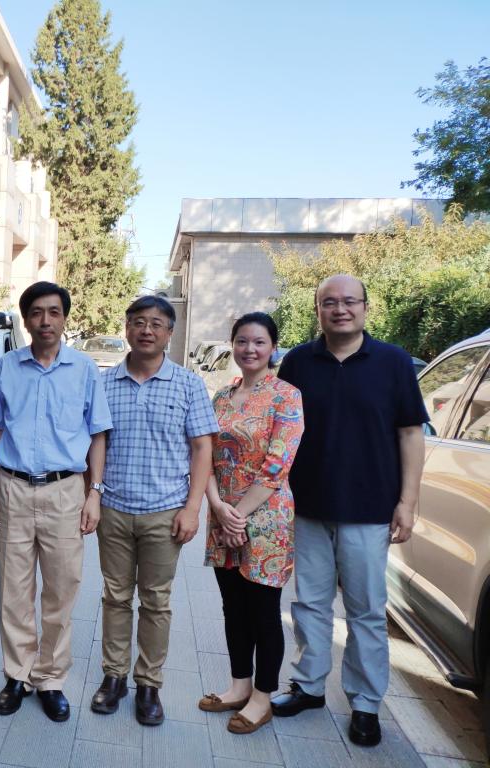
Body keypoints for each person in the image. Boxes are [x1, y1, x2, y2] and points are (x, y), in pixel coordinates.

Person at [272, 275, 427, 747]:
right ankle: (309, 685)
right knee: (310, 604)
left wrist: (407, 502)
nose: (340, 309)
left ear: (365, 307)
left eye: (349, 301)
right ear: (318, 310)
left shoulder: (393, 362)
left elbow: (410, 434)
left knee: (366, 611)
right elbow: (281, 429)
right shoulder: (298, 362)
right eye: (329, 302)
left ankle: (365, 703)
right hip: (308, 506)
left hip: (370, 508)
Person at [0, 281, 112, 723]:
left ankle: (51, 679)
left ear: (64, 318)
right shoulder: (7, 366)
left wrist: (94, 493)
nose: (45, 320)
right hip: (14, 487)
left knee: (61, 588)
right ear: (26, 319)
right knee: (14, 590)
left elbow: (98, 433)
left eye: (54, 312)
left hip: (65, 490)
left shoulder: (84, 368)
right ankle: (17, 675)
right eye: (36, 312)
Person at [92, 295, 216, 726]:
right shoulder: (103, 383)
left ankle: (148, 683)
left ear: (169, 333)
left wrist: (193, 508)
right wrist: (94, 495)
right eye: (138, 322)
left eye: (156, 324)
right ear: (127, 328)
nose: (146, 330)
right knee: (115, 597)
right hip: (114, 508)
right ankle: (113, 677)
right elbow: (96, 442)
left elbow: (202, 448)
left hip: (165, 512)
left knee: (156, 601)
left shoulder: (188, 384)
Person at [198, 312, 303, 734]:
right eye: (242, 341)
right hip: (222, 513)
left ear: (273, 347)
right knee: (233, 606)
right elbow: (203, 454)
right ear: (233, 345)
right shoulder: (223, 396)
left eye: (259, 342)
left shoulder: (286, 396)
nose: (250, 349)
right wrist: (217, 506)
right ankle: (239, 684)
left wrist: (237, 513)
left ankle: (262, 697)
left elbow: (278, 464)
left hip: (266, 518)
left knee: (263, 611)